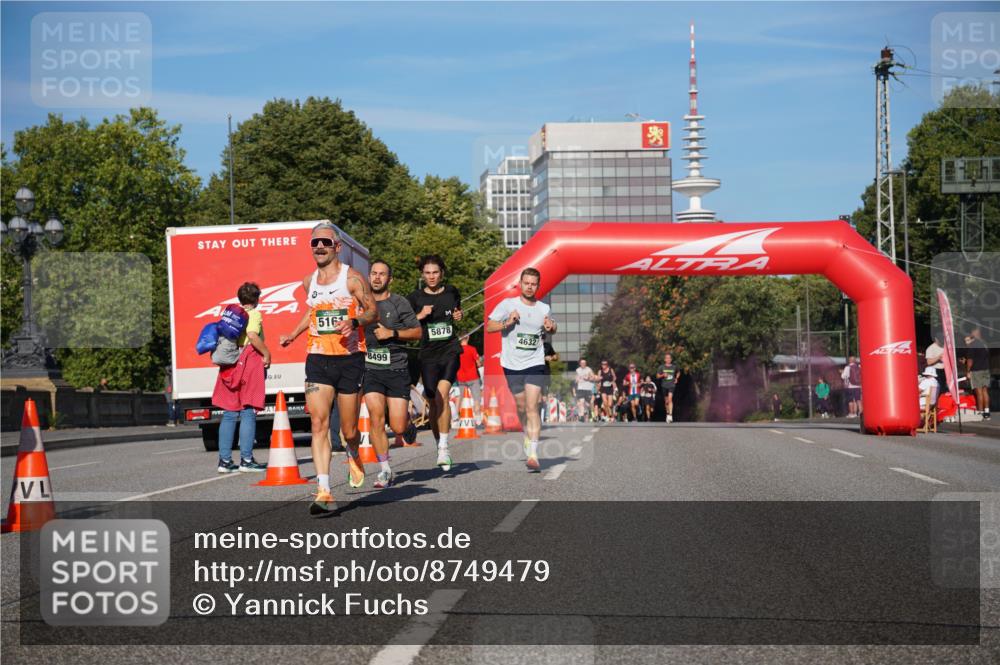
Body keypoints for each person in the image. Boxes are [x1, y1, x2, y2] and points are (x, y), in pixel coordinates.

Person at [280, 222, 378, 516]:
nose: (319, 247)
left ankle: (352, 451)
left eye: (325, 242)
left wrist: (355, 322)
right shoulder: (309, 281)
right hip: (318, 358)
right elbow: (313, 311)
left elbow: (372, 310)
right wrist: (293, 335)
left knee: (348, 430)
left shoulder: (352, 279)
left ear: (336, 247)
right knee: (319, 424)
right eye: (314, 243)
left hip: (349, 359)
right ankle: (324, 490)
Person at [486, 267, 557, 472]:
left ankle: (533, 453)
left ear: (538, 286)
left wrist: (551, 327)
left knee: (533, 406)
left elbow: (552, 326)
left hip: (535, 362)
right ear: (520, 283)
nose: (529, 286)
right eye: (526, 283)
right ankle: (527, 434)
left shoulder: (543, 308)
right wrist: (507, 322)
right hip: (512, 364)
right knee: (522, 406)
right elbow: (490, 326)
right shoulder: (508, 304)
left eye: (533, 284)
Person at [362, 260, 422, 489]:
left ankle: (407, 425)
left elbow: (417, 331)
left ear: (390, 279)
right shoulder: (361, 303)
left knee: (396, 427)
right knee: (376, 418)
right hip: (371, 369)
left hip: (396, 368)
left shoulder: (399, 303)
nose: (377, 277)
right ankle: (385, 470)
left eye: (382, 274)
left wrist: (392, 333)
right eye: (374, 273)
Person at [407, 255, 463, 471]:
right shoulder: (414, 298)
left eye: (435, 272)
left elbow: (457, 310)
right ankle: (439, 443)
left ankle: (444, 448)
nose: (431, 276)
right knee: (432, 401)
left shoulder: (452, 292)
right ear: (422, 274)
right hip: (428, 355)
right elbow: (407, 325)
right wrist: (420, 315)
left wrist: (458, 315)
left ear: (442, 273)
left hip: (450, 351)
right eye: (427, 273)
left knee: (443, 395)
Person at [212, 282, 270, 474]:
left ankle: (225, 460)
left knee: (229, 413)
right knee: (248, 410)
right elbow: (252, 335)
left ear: (240, 298)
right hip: (249, 359)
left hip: (231, 361)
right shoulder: (254, 314)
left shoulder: (230, 315)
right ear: (257, 299)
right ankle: (246, 459)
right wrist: (266, 353)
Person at [456, 335, 483, 424]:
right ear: (467, 338)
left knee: (460, 398)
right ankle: (478, 419)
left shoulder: (456, 350)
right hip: (473, 377)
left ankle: (456, 418)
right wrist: (479, 361)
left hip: (460, 377)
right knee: (476, 398)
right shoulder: (472, 349)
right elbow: (478, 363)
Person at [965, 326, 991, 420]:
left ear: (974, 332)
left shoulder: (973, 345)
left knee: (978, 392)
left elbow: (970, 360)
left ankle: (979, 413)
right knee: (985, 391)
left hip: (976, 370)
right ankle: (987, 413)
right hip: (986, 369)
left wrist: (967, 371)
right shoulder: (984, 343)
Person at [656, 353, 680, 423]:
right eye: (667, 358)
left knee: (670, 399)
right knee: (666, 401)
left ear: (671, 359)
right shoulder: (661, 367)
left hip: (671, 385)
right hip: (664, 386)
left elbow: (678, 372)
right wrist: (663, 375)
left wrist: (676, 378)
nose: (668, 359)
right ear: (664, 359)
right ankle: (667, 413)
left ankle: (670, 415)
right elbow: (657, 376)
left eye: (669, 358)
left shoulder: (674, 367)